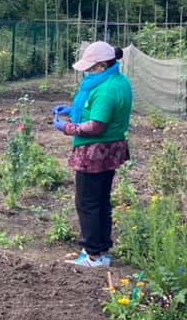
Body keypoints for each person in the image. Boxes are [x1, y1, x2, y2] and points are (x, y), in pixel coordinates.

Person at [50, 42, 132, 268]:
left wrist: (67, 127)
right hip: (110, 150)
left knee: (87, 202)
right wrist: (72, 111)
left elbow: (96, 126)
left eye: (91, 67)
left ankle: (92, 255)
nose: (87, 71)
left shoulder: (106, 89)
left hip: (95, 151)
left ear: (103, 65)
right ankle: (102, 250)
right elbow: (99, 111)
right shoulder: (118, 81)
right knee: (101, 200)